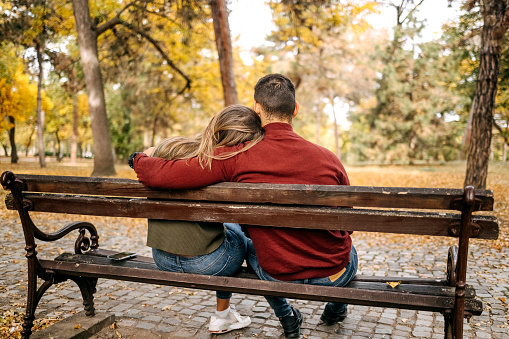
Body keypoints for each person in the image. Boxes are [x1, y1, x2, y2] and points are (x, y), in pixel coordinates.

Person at [131, 74, 358, 338]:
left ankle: (287, 317)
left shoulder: (236, 156)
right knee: (349, 251)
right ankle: (334, 310)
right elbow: (349, 225)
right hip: (334, 275)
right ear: (295, 109)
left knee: (253, 250)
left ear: (257, 108)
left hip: (277, 275)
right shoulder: (329, 159)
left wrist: (139, 158)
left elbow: (161, 175)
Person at [129, 104, 264, 334]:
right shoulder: (225, 164)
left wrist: (138, 158)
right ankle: (223, 316)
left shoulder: (168, 146)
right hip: (208, 264)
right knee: (240, 237)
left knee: (231, 232)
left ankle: (225, 316)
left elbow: (148, 157)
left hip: (162, 257)